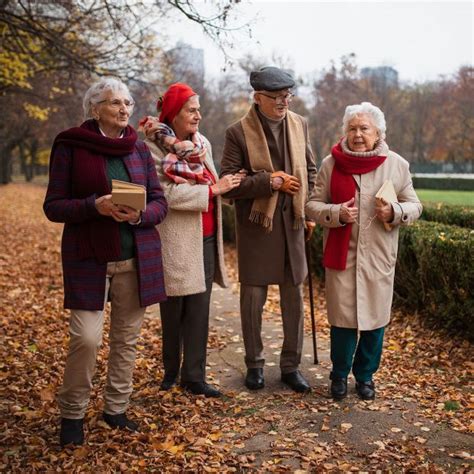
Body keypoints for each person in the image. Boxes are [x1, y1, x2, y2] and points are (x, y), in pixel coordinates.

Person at [43, 77, 168, 447]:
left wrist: (139, 216)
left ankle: (116, 409)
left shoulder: (139, 150)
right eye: (115, 103)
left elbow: (160, 202)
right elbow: (53, 206)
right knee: (86, 338)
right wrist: (92, 205)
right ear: (95, 108)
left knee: (126, 340)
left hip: (135, 257)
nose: (124, 109)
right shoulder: (70, 145)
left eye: (127, 102)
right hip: (89, 257)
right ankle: (73, 413)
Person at [305, 101, 422, 401]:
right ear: (345, 131)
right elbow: (312, 205)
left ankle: (366, 376)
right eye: (352, 128)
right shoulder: (330, 164)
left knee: (374, 321)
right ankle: (339, 376)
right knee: (342, 321)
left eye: (364, 128)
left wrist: (395, 211)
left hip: (378, 258)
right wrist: (335, 213)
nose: (357, 134)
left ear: (378, 132)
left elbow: (415, 204)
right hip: (342, 257)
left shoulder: (396, 164)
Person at [140, 83, 244, 398]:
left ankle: (194, 377)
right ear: (174, 114)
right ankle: (170, 372)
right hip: (175, 239)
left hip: (207, 236)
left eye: (199, 109)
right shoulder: (153, 149)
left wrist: (229, 188)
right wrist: (212, 191)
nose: (198, 115)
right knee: (173, 309)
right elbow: (164, 194)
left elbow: (216, 182)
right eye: (192, 110)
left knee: (199, 308)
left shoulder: (202, 144)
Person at [220, 67, 317, 393]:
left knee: (294, 301)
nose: (283, 102)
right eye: (276, 97)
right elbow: (230, 185)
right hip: (257, 228)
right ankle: (255, 365)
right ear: (257, 98)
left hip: (293, 225)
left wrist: (309, 210)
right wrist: (269, 181)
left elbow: (311, 171)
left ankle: (291, 366)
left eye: (287, 95)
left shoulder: (300, 123)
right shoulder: (237, 132)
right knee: (252, 301)